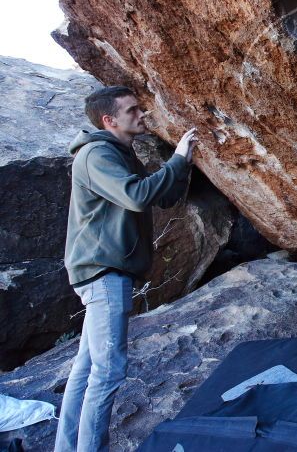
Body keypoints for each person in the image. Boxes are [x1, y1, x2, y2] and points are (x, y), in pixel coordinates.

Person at [54, 86, 198, 452]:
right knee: (109, 370)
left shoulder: (121, 153)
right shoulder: (97, 154)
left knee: (86, 370)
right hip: (104, 272)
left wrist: (183, 164)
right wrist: (176, 161)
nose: (141, 114)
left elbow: (162, 196)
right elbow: (136, 196)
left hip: (107, 271)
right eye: (132, 110)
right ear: (109, 119)